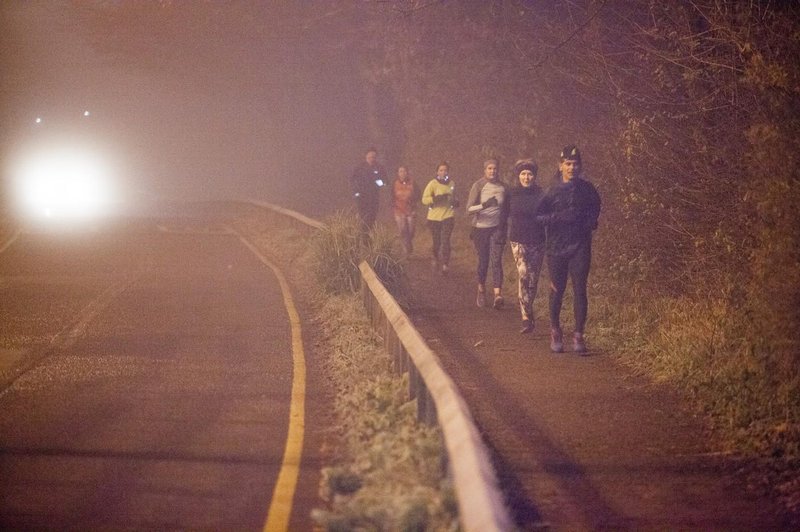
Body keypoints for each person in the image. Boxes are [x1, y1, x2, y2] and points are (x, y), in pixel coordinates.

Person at [536, 144, 601, 353]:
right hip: (556, 248)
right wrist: (556, 218)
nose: (572, 168)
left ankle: (579, 335)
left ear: (580, 166)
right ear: (560, 165)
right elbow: (538, 217)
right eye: (568, 164)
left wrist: (590, 222)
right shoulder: (551, 191)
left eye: (575, 164)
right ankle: (555, 330)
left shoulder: (588, 189)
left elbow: (595, 209)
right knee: (557, 290)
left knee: (580, 289)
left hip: (580, 245)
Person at [508, 159, 546, 333]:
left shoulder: (541, 194)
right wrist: (501, 233)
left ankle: (529, 310)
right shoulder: (512, 193)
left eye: (529, 174)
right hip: (518, 239)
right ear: (518, 176)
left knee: (533, 279)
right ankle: (525, 317)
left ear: (534, 176)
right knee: (523, 274)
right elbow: (503, 215)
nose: (526, 177)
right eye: (523, 174)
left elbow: (548, 216)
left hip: (537, 240)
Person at [467, 158, 510, 309]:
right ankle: (481, 289)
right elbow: (468, 209)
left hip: (497, 228)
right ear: (484, 170)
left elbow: (508, 208)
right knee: (484, 261)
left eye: (495, 168)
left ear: (498, 170)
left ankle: (498, 295)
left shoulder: (504, 187)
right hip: (480, 228)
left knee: (496, 260)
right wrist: (485, 205)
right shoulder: (478, 185)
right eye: (489, 168)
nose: (492, 171)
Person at [421, 161, 457, 273]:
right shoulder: (432, 184)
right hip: (434, 217)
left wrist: (455, 202)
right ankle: (435, 257)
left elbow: (455, 198)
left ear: (448, 171)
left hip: (448, 215)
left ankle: (446, 264)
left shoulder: (452, 184)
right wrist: (435, 199)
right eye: (441, 170)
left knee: (446, 240)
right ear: (437, 172)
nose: (443, 172)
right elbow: (424, 199)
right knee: (437, 241)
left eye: (445, 170)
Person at [349, 147, 387, 232]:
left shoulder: (379, 168)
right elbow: (352, 180)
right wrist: (356, 192)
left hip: (374, 197)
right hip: (361, 197)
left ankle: (367, 236)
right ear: (366, 156)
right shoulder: (359, 168)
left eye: (373, 157)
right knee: (364, 218)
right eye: (370, 157)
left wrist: (378, 183)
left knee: (372, 217)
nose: (372, 159)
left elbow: (385, 182)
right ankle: (363, 237)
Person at [391, 165, 420, 254]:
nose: (402, 173)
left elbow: (419, 195)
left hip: (410, 210)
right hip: (399, 210)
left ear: (407, 173)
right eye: (400, 171)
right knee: (403, 230)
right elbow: (391, 196)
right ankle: (405, 251)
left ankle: (409, 243)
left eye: (404, 171)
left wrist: (414, 202)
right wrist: (393, 205)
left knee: (411, 230)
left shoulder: (413, 183)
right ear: (398, 173)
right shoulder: (395, 184)